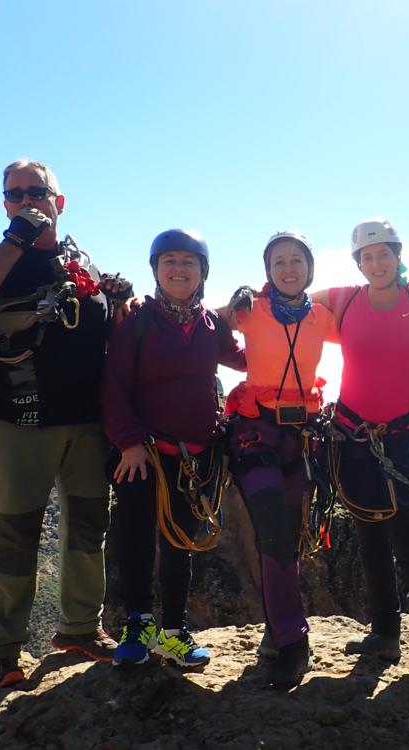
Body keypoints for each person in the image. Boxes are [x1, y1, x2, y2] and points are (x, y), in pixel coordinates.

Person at [0, 159, 130, 688]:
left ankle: (80, 629)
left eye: (36, 191)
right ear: (4, 205)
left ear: (59, 201)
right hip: (17, 423)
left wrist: (119, 302)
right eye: (14, 194)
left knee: (88, 529)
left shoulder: (83, 266)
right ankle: (3, 651)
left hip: (86, 423)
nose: (26, 199)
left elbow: (112, 344)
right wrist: (16, 240)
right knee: (16, 534)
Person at [308, 217, 409, 676]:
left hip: (406, 440)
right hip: (354, 439)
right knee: (370, 539)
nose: (376, 263)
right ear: (358, 262)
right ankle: (385, 635)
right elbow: (288, 300)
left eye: (383, 254)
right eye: (367, 257)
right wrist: (247, 299)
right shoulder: (344, 299)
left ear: (397, 256)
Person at [101, 229, 245, 669]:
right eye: (170, 261)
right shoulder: (138, 321)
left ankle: (174, 631)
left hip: (195, 457)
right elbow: (114, 384)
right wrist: (128, 444)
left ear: (203, 271)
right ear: (156, 269)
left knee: (180, 541)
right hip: (144, 454)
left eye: (188, 261)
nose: (179, 269)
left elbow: (244, 359)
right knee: (137, 538)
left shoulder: (210, 324)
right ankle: (138, 625)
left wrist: (269, 313)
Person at [223, 231, 337, 689]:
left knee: (287, 536)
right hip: (255, 433)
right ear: (267, 271)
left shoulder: (322, 317)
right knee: (272, 530)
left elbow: (372, 324)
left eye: (296, 260)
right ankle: (292, 642)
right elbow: (200, 325)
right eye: (278, 262)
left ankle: (277, 632)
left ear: (310, 268)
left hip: (301, 437)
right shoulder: (251, 309)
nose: (288, 268)